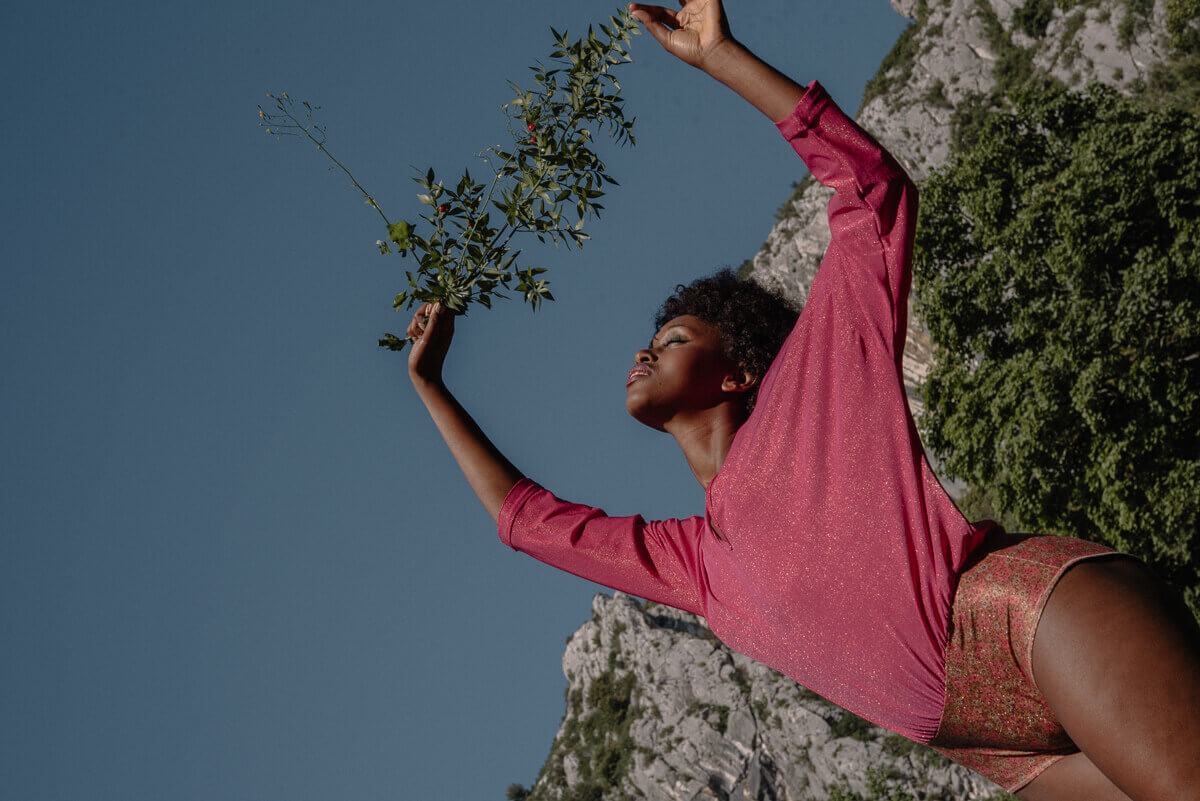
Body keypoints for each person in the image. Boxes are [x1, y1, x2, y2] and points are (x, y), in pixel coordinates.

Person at [403, 2, 1200, 799]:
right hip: (997, 749)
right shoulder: (699, 567)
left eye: (675, 338)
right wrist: (430, 385)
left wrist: (722, 59)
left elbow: (873, 189)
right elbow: (528, 521)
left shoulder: (814, 380)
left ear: (740, 371)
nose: (645, 351)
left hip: (1023, 621)